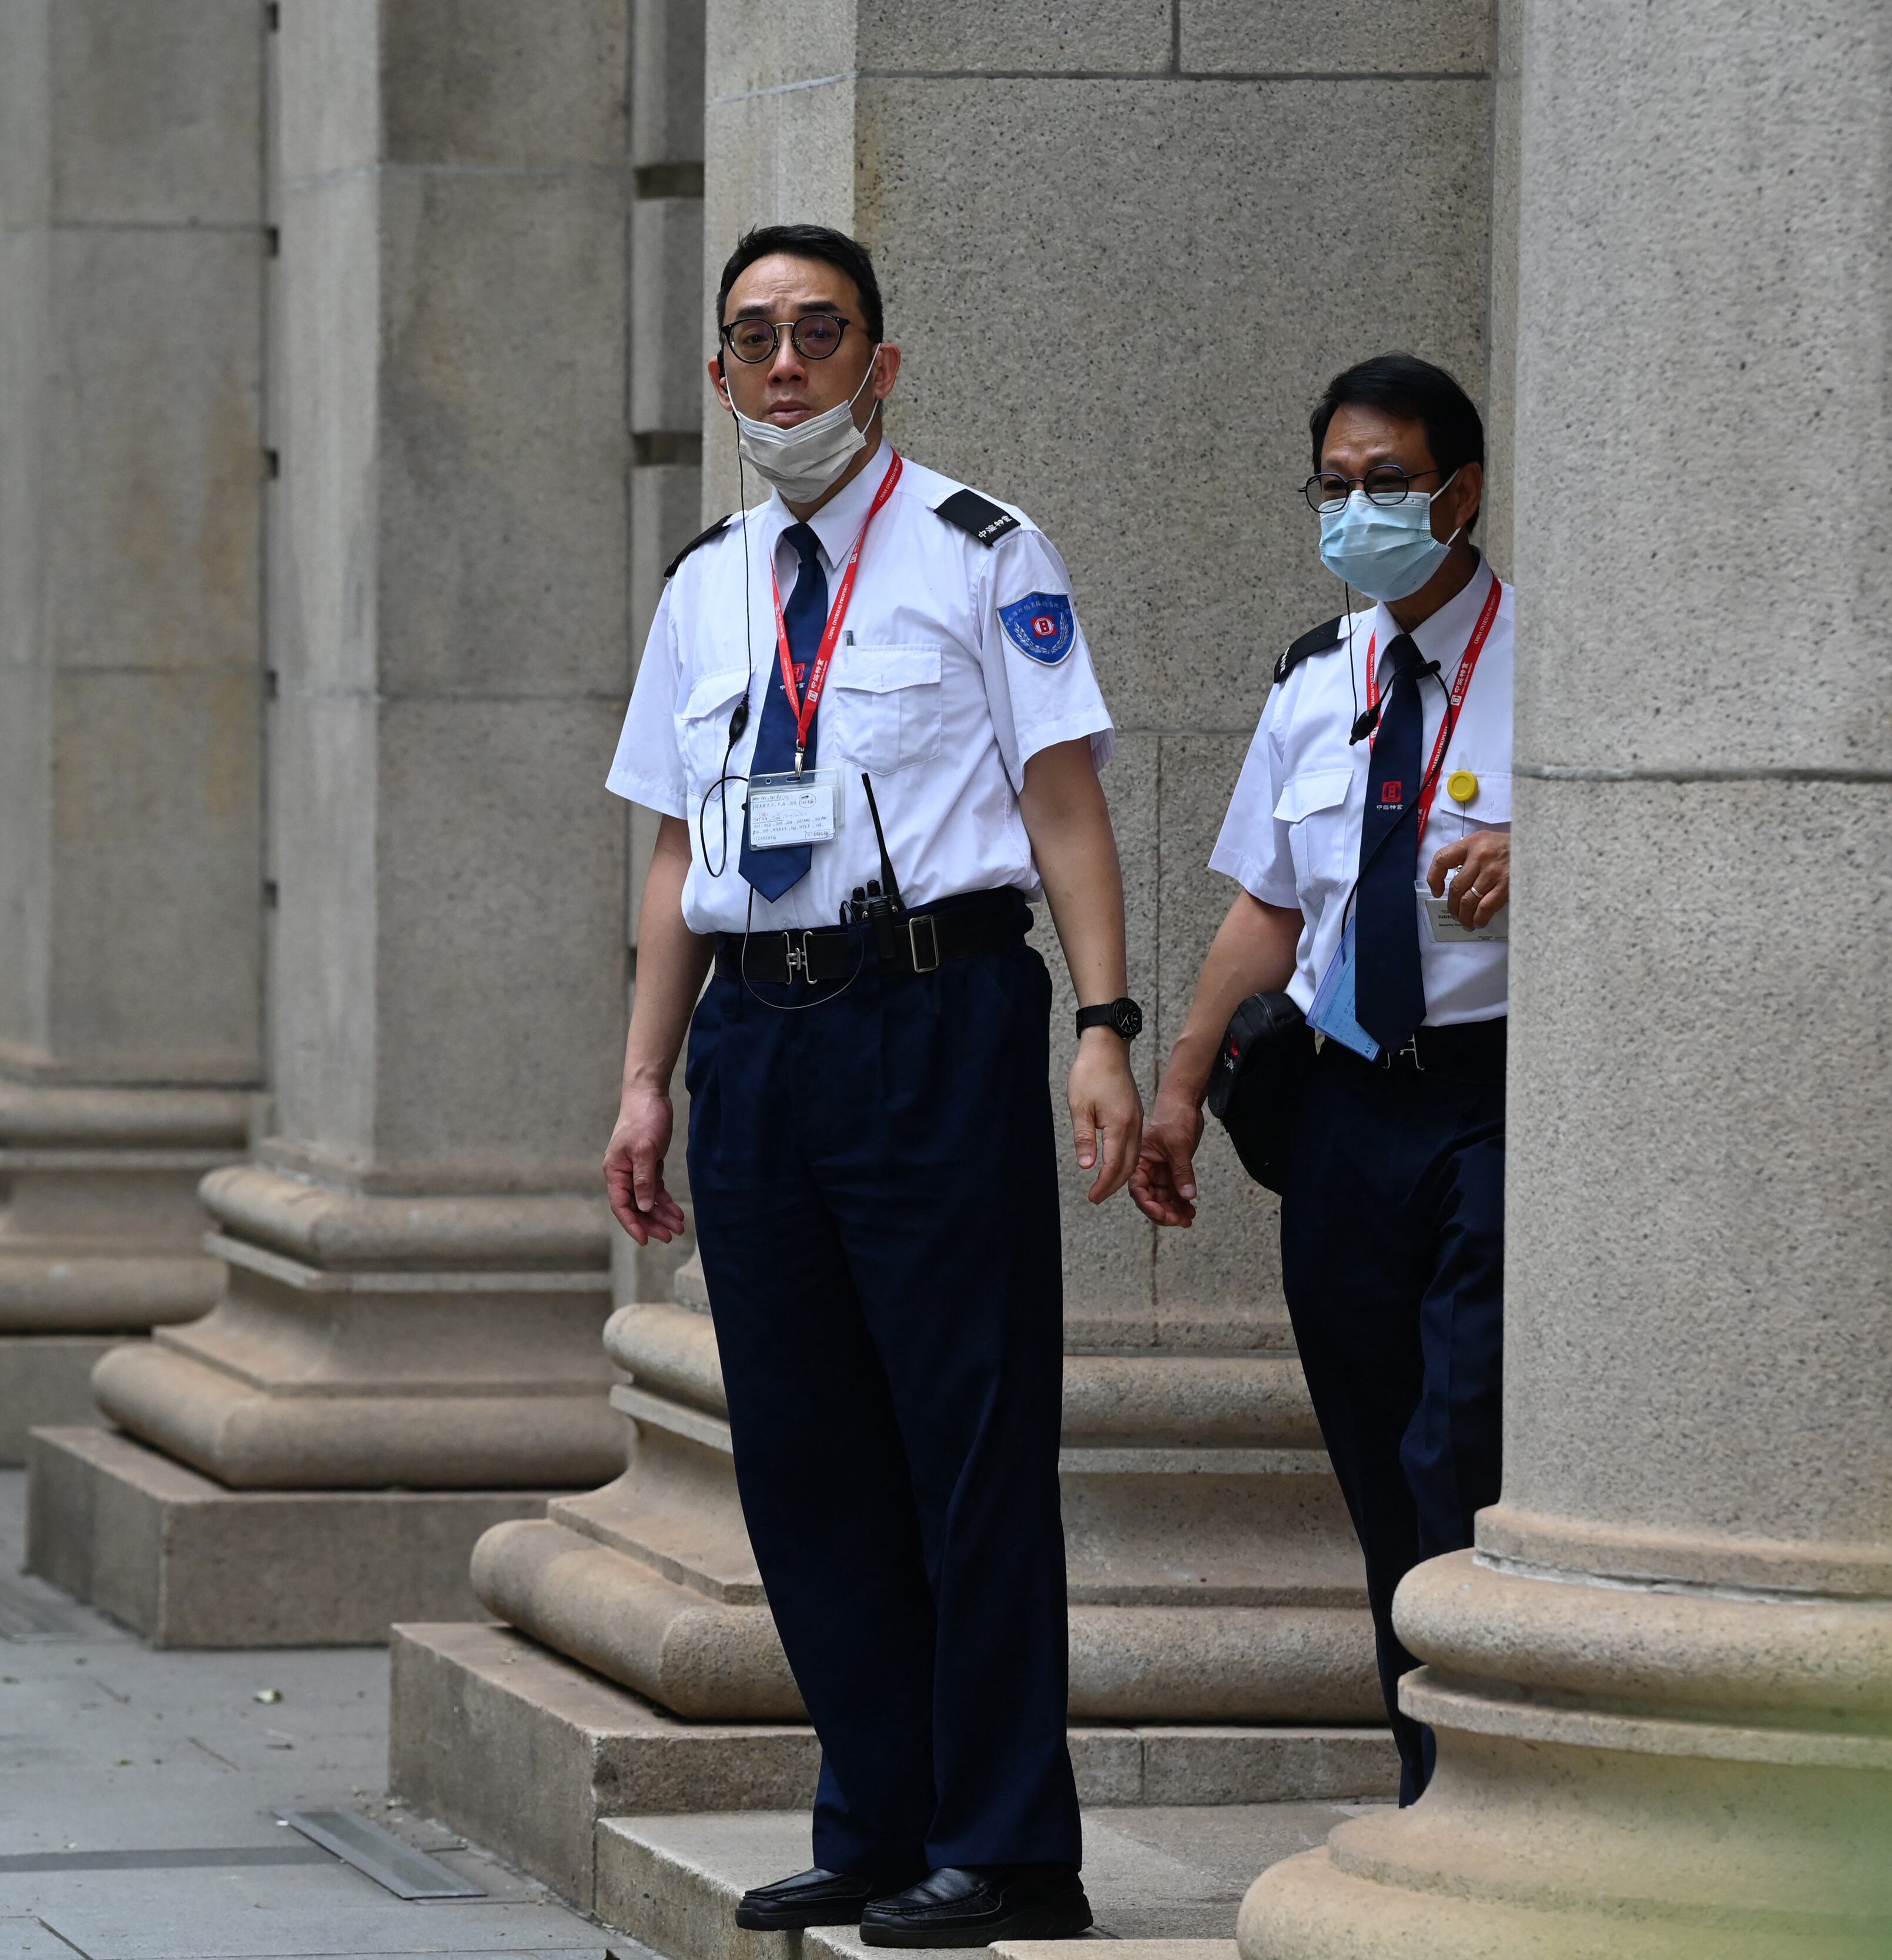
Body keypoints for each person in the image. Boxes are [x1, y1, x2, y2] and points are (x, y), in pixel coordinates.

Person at [601, 223, 1144, 1947]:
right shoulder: (706, 585)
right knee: (803, 1443)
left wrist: (1107, 1021)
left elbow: (1063, 805)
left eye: (820, 335)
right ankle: (875, 1813)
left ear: (880, 364)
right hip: (757, 1040)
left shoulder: (982, 551)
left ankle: (1007, 1843)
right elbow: (680, 844)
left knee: (967, 1439)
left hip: (933, 1011)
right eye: (754, 338)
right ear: (718, 373)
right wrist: (644, 1079)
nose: (786, 368)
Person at [1130, 353, 1511, 1806]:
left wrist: (1538, 855)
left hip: (1490, 1098)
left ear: (1460, 493)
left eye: (1390, 485)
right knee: (1370, 1452)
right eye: (1336, 487)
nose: (1359, 511)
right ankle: (1428, 1777)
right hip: (1346, 1104)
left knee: (1455, 1437)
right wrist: (1176, 1088)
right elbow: (1267, 908)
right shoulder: (1315, 676)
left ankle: (1497, 1756)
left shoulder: (1555, 656)